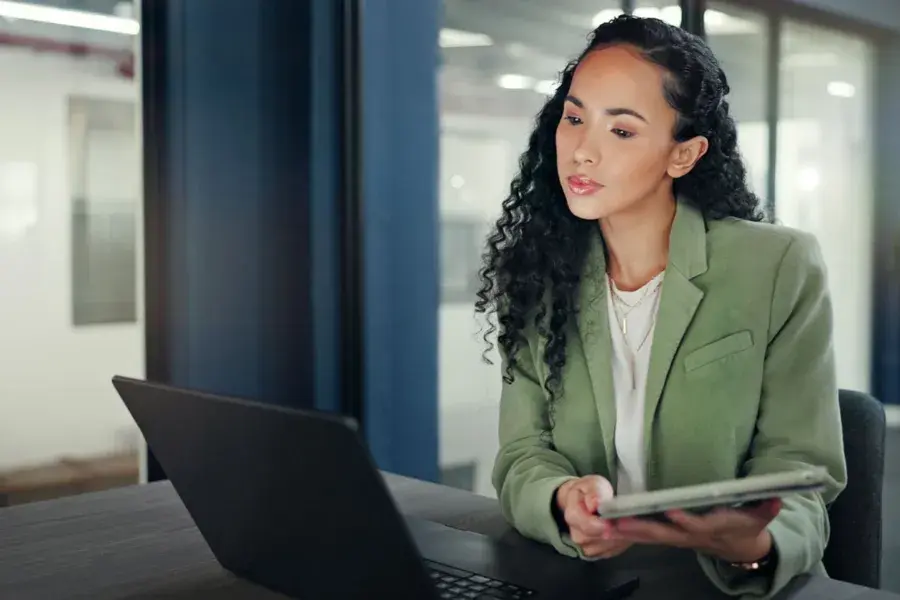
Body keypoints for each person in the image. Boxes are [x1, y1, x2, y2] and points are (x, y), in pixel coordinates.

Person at [475, 15, 847, 599]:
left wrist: (753, 546)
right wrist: (561, 500)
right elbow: (522, 453)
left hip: (725, 587)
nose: (582, 152)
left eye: (621, 131)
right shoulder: (539, 271)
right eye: (574, 118)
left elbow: (801, 471)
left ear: (684, 155)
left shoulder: (778, 266)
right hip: (584, 580)